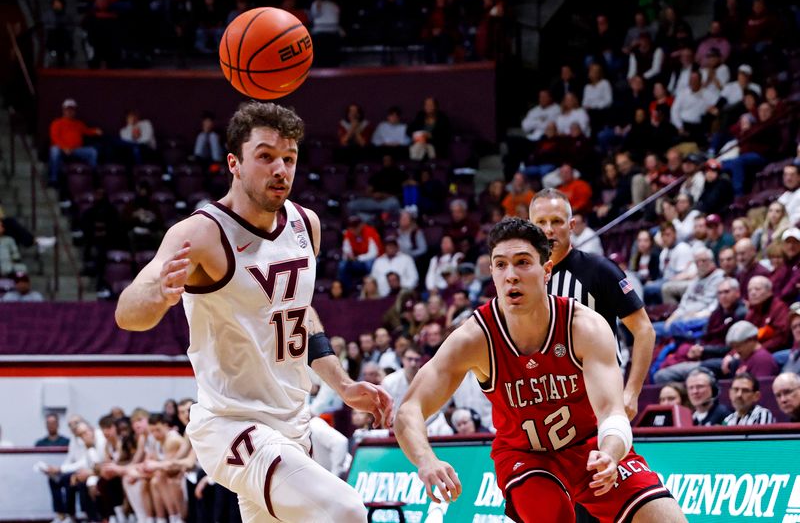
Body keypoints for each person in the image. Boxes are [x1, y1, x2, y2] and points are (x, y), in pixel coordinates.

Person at [116, 101, 392, 522]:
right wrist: (156, 295)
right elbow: (127, 311)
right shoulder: (202, 232)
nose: (280, 169)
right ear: (235, 163)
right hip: (232, 426)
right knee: (346, 511)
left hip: (293, 423)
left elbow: (300, 314)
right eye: (265, 156)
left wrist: (343, 384)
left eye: (289, 158)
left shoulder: (306, 224)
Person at [394, 218, 684, 522]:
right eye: (501, 265)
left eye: (522, 263)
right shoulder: (474, 338)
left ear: (546, 271)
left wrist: (610, 454)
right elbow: (409, 409)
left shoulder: (583, 326)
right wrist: (425, 461)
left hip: (591, 447)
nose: (511, 276)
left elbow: (613, 411)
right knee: (553, 514)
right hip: (526, 458)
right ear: (491, 273)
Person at [530, 189, 655, 419]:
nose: (548, 230)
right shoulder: (527, 279)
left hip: (598, 400)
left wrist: (632, 391)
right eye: (541, 222)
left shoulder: (600, 270)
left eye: (556, 221)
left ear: (571, 225)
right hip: (546, 404)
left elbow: (644, 330)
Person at [48, 98, 102, 185]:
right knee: (54, 150)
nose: (69, 111)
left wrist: (95, 131)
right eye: (67, 109)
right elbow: (54, 137)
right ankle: (53, 179)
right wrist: (64, 147)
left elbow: (87, 131)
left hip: (76, 150)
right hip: (62, 150)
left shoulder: (78, 124)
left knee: (92, 151)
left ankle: (93, 178)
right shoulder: (57, 123)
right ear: (63, 110)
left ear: (74, 111)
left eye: (72, 109)